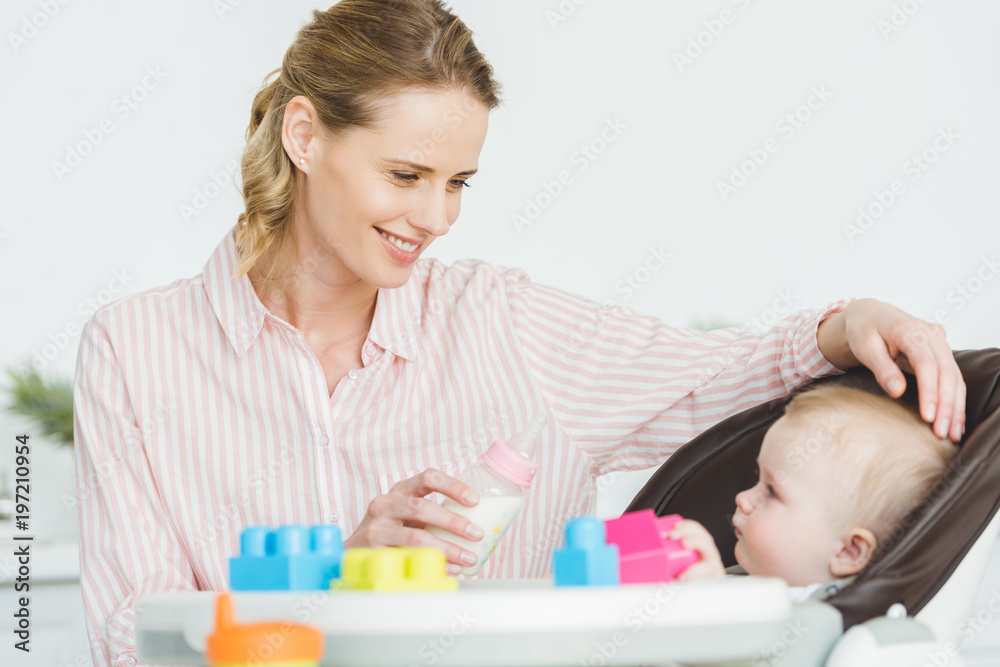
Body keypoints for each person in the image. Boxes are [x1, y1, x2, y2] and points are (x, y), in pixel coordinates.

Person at [72, 1, 966, 665]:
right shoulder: (135, 352)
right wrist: (335, 584)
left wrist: (853, 322)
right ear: (304, 136)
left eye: (459, 182)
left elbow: (716, 377)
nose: (435, 216)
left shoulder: (504, 323)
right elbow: (124, 641)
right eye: (406, 173)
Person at [670, 385, 958, 601]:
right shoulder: (758, 580)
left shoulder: (814, 622)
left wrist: (707, 595)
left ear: (849, 551)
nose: (742, 499)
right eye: (758, 478)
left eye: (772, 492)